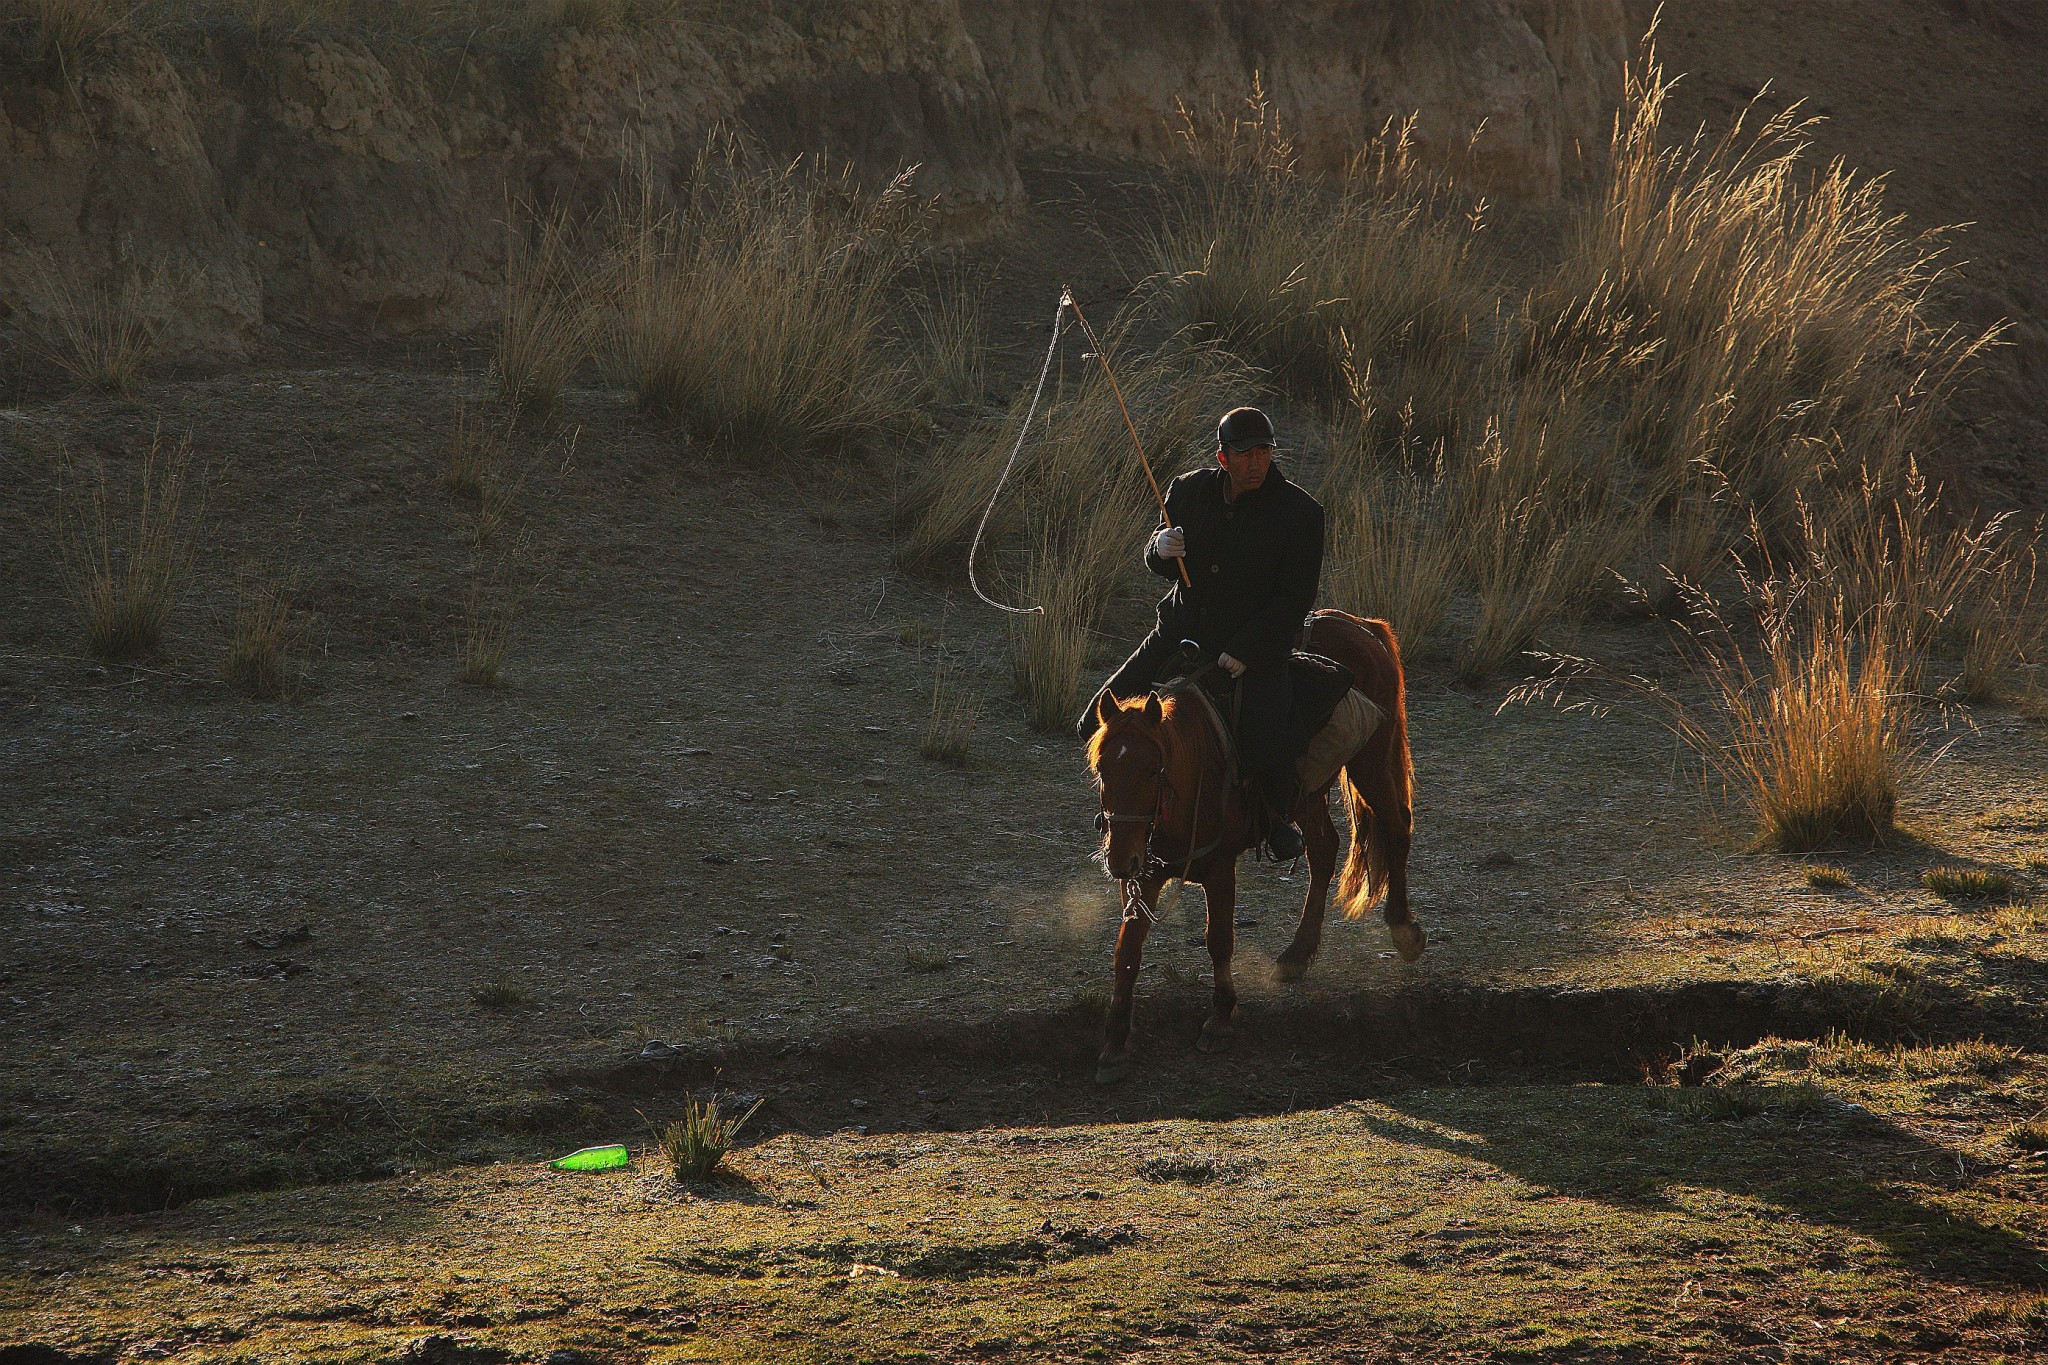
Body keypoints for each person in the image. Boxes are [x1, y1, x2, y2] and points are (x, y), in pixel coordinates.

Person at [1087, 406, 1324, 861]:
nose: (1257, 463)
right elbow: (1162, 561)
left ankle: (1275, 821)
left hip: (1253, 650)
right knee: (1090, 725)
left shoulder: (1301, 513)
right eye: (1245, 454)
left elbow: (1294, 599)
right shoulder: (1187, 491)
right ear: (1222, 458)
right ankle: (1124, 815)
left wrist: (1248, 650)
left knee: (1266, 741)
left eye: (1265, 452)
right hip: (1177, 634)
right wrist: (1157, 550)